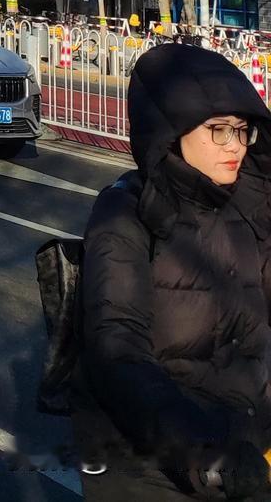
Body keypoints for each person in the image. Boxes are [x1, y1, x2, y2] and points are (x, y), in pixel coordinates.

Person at [78, 43, 271, 499]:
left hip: (247, 440)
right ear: (170, 132)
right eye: (218, 131)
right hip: (154, 452)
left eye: (242, 131)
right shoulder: (125, 215)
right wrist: (201, 449)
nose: (235, 147)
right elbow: (117, 353)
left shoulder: (247, 209)